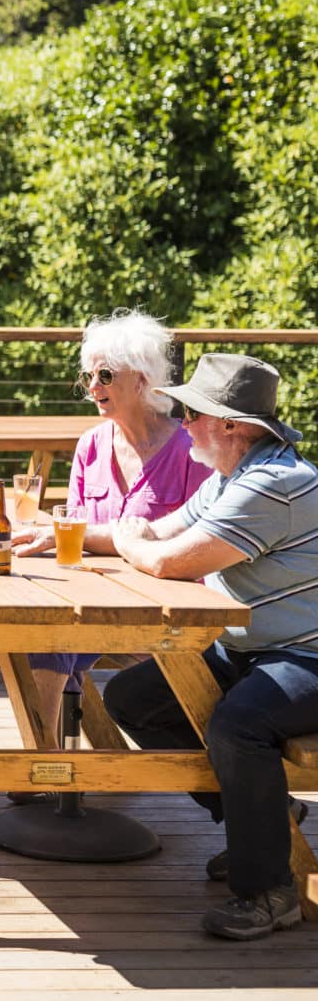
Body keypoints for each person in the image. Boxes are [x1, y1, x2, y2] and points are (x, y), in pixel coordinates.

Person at [95, 354, 318, 942]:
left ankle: (270, 893)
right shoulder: (233, 476)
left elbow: (168, 559)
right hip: (253, 650)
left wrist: (126, 541)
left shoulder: (275, 486)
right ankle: (268, 817)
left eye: (190, 411)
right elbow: (160, 531)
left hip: (306, 656)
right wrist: (65, 537)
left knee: (237, 728)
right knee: (133, 698)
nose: (181, 421)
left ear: (228, 424)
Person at [9, 312, 211, 766]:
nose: (92, 387)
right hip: (93, 598)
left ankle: (43, 767)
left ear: (141, 381)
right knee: (47, 630)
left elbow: (197, 546)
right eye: (87, 376)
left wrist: (89, 539)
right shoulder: (91, 446)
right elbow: (73, 535)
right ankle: (42, 762)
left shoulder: (188, 452)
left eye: (104, 375)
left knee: (59, 636)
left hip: (166, 608)